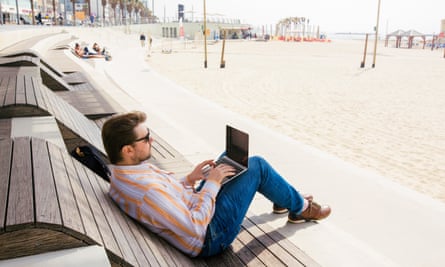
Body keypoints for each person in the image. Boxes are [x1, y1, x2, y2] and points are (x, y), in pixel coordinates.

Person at [101, 111, 331, 257]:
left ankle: (284, 199)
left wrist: (190, 179)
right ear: (128, 149)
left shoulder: (124, 173)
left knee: (231, 159)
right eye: (145, 138)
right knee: (257, 166)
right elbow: (195, 228)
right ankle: (301, 208)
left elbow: (165, 200)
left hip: (193, 209)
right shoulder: (146, 191)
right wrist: (211, 185)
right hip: (211, 236)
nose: (152, 139)